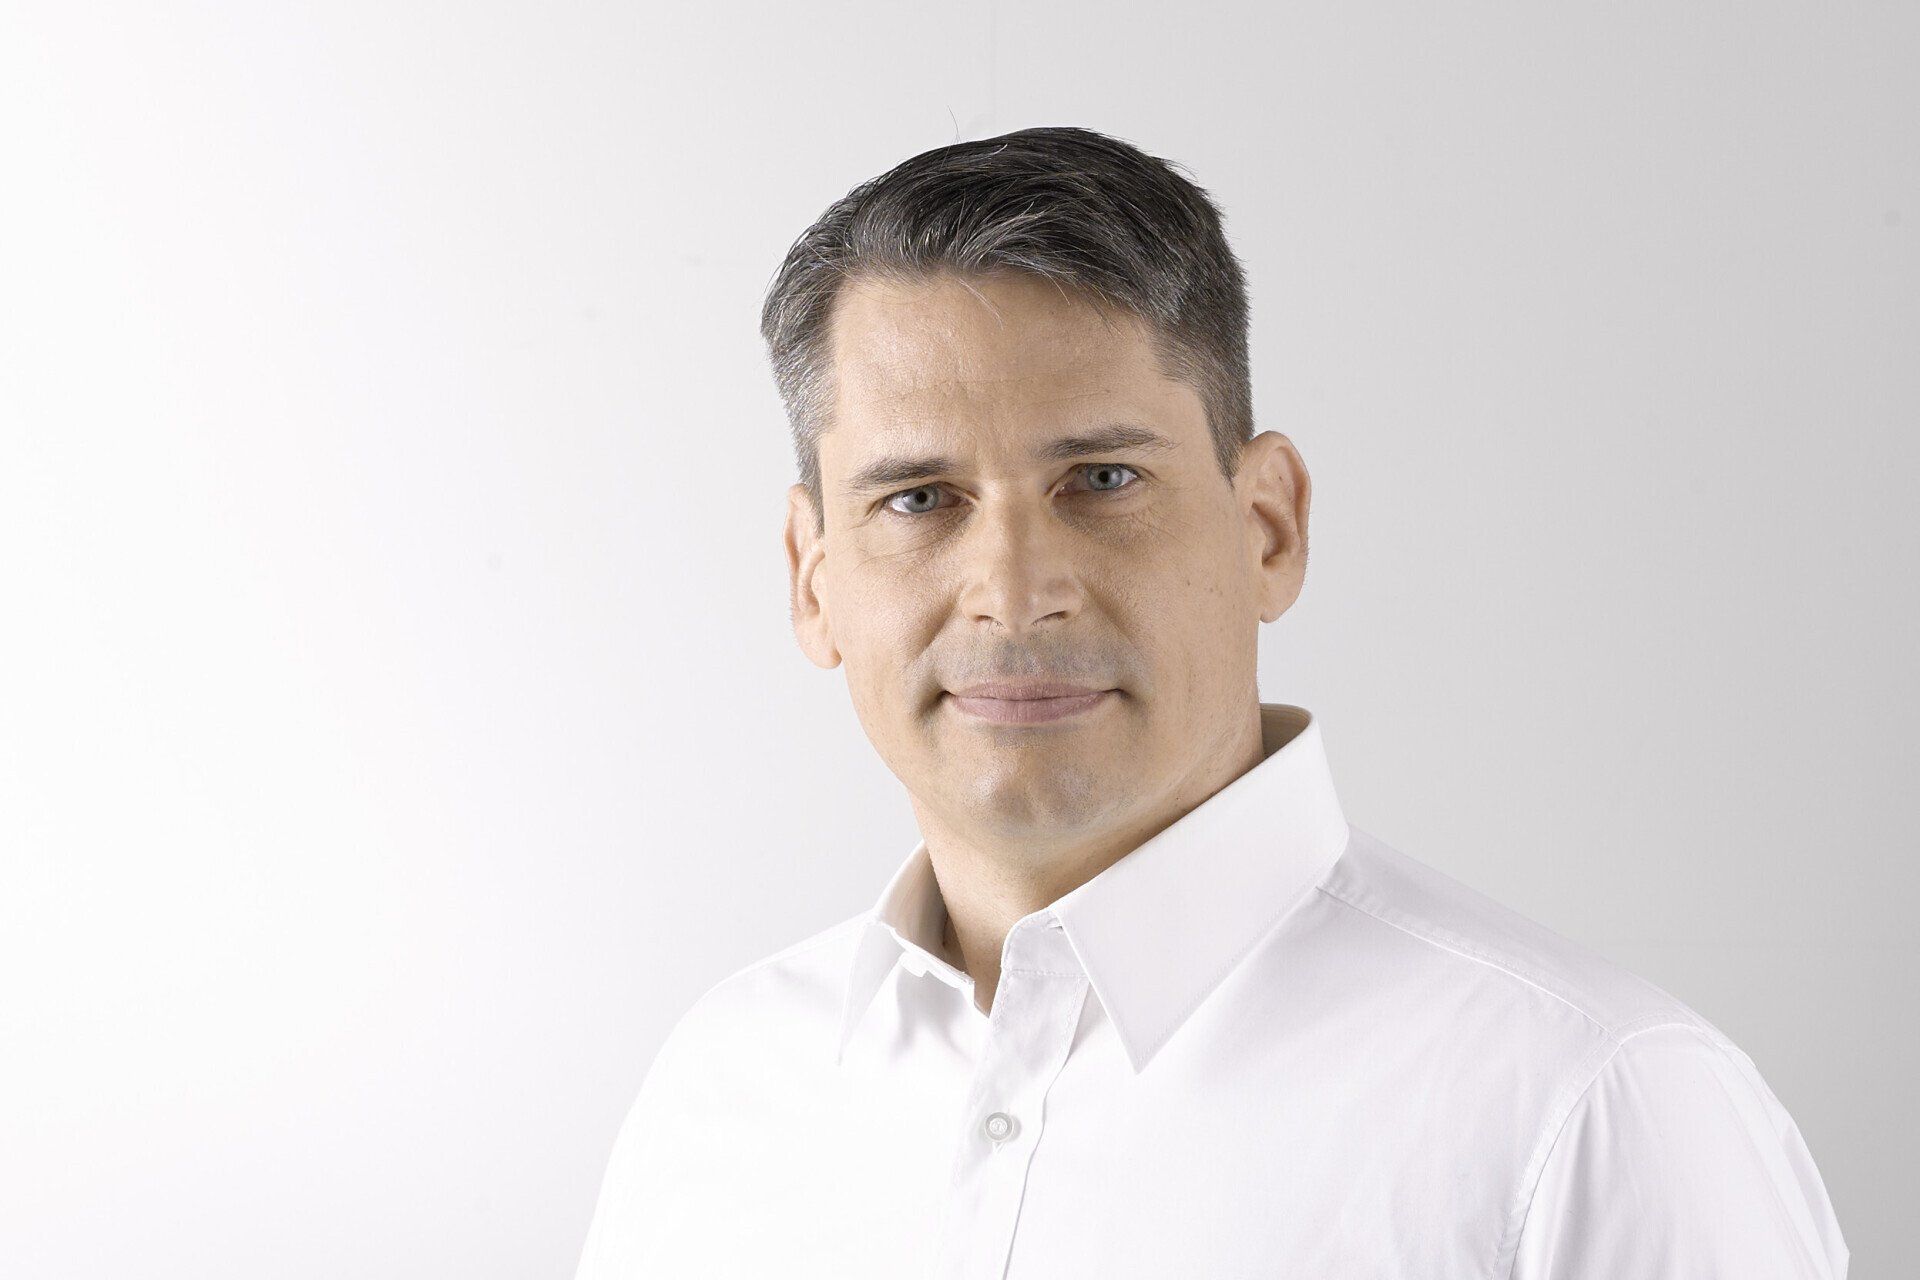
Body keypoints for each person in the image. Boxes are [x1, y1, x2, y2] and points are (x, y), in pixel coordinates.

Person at [573, 126, 1849, 1278]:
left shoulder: (1590, 1110)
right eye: (918, 498)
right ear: (813, 581)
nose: (1013, 593)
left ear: (1268, 526)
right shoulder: (722, 1089)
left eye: (1102, 478)